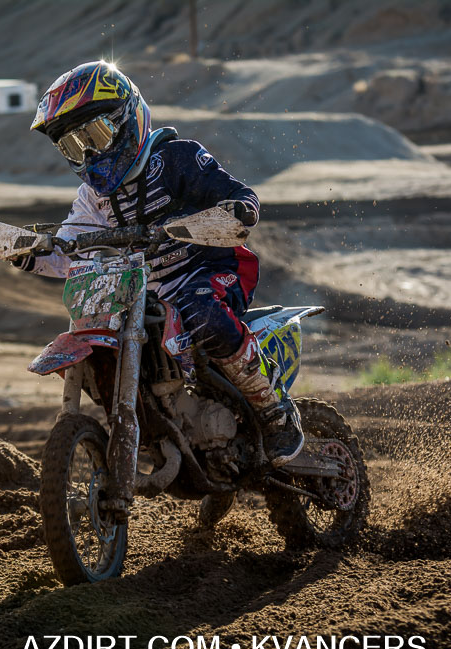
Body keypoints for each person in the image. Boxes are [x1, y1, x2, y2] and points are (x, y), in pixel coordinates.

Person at [17, 61, 304, 478]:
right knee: (109, 332)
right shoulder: (92, 199)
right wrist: (32, 252)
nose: (90, 154)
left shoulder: (175, 158)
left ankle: (273, 408)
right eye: (75, 147)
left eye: (95, 136)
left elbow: (238, 195)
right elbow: (71, 248)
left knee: (203, 314)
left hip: (209, 269)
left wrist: (238, 208)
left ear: (127, 119)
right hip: (146, 292)